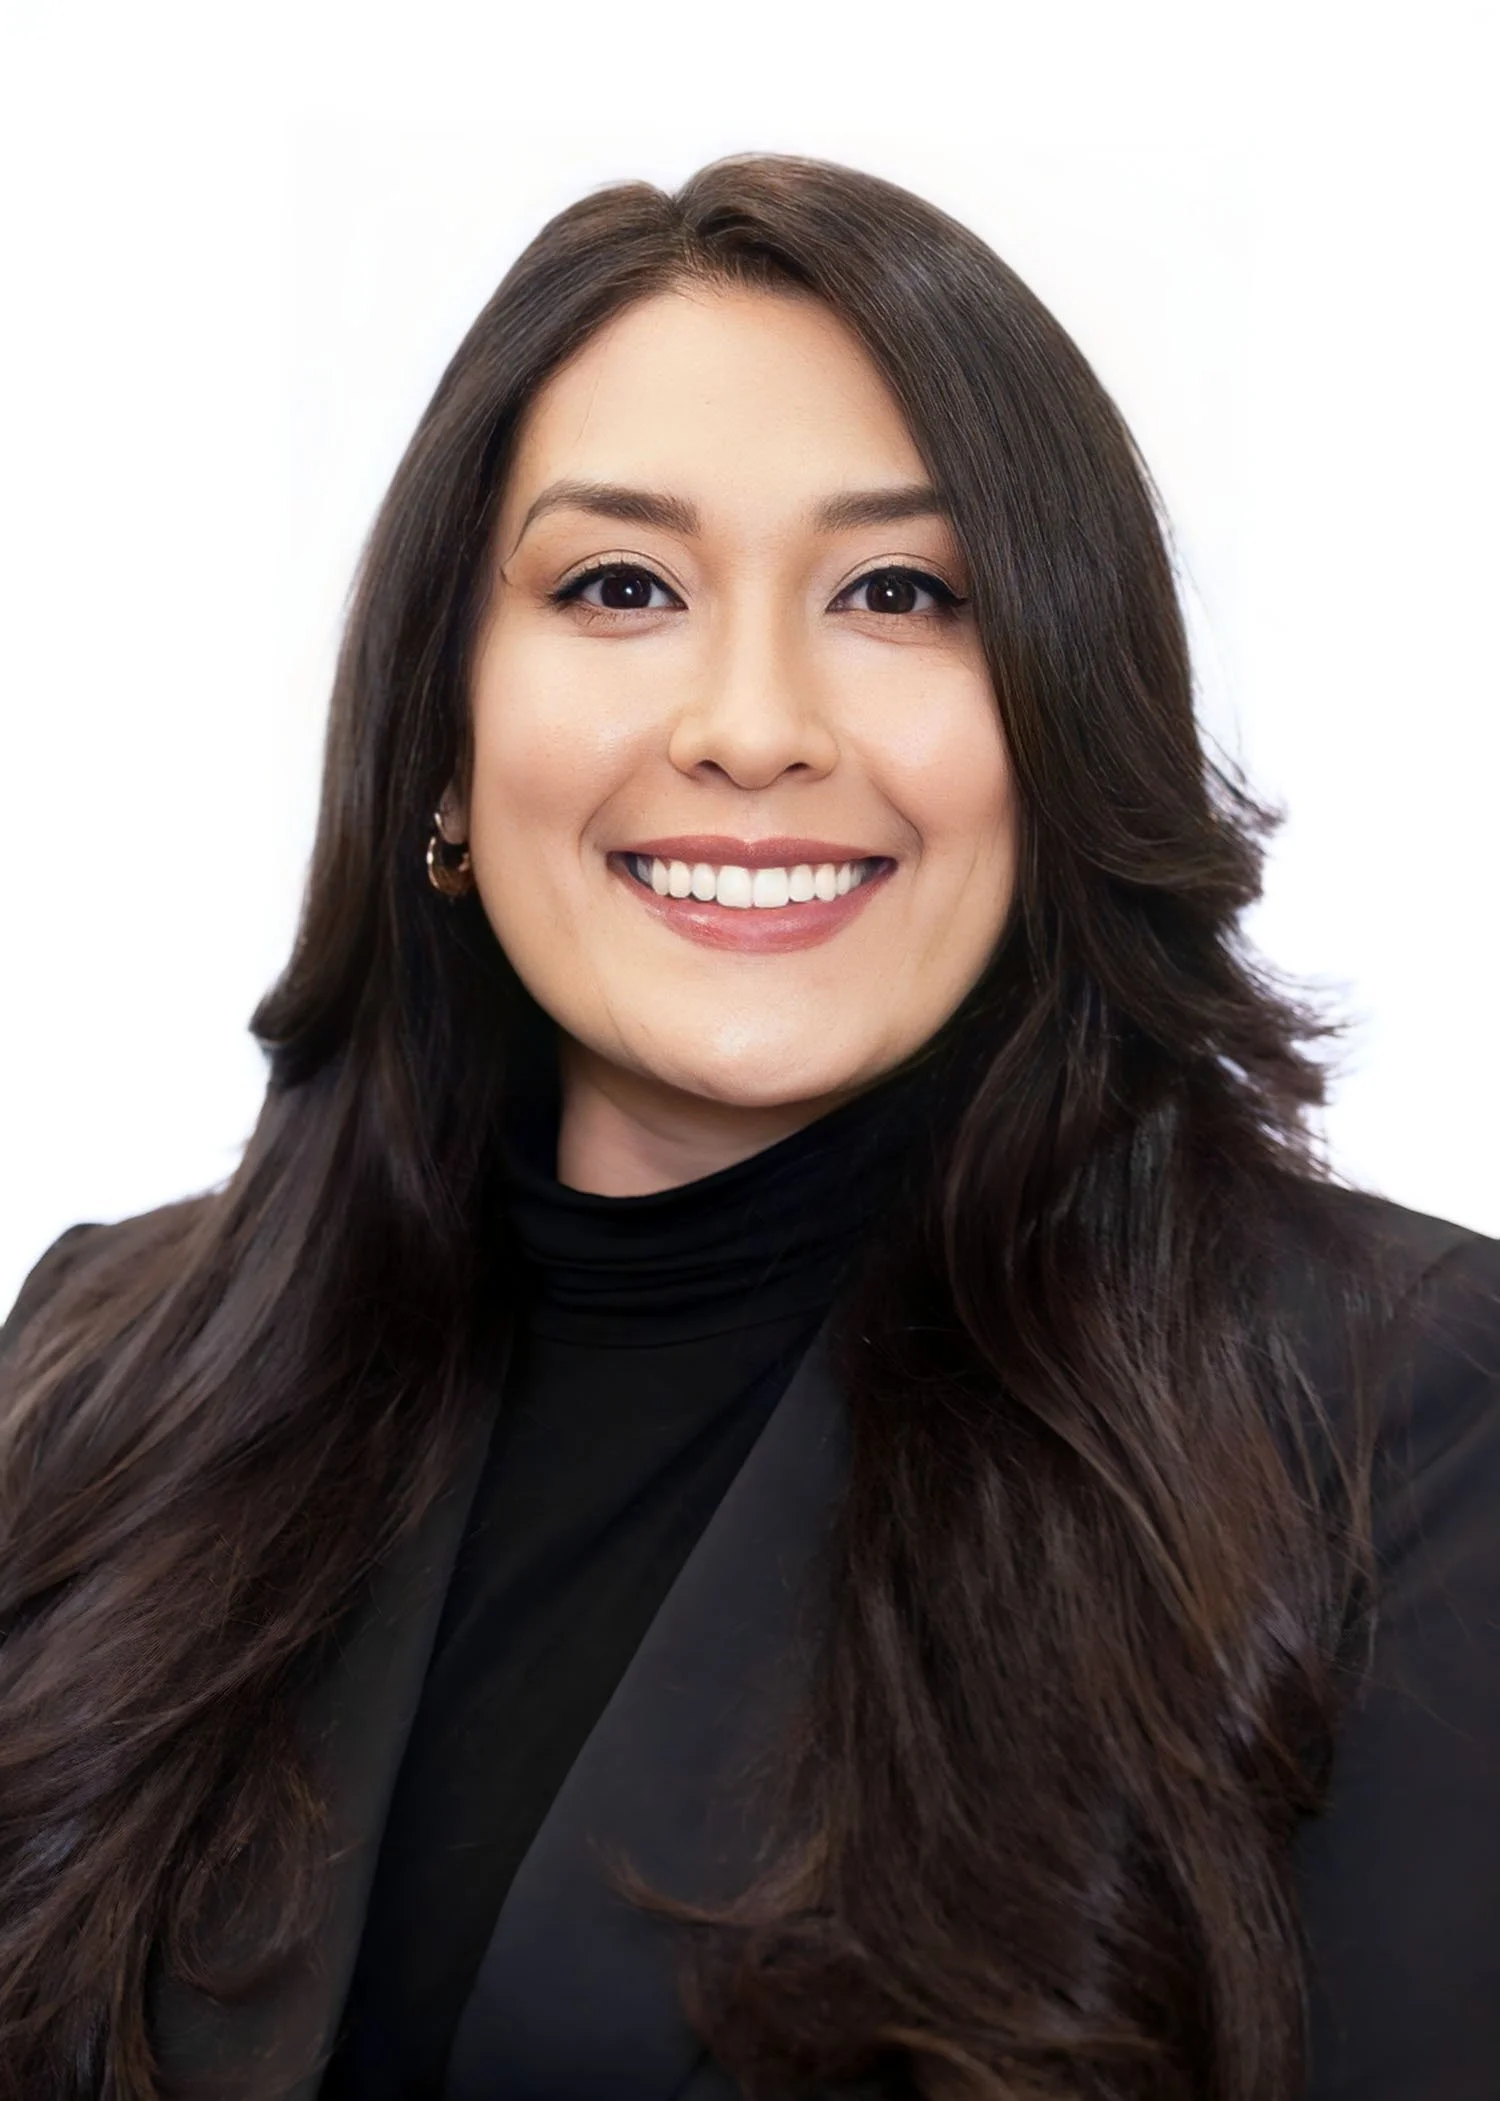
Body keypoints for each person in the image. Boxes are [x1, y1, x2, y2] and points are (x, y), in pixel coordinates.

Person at [0, 152, 1496, 2101]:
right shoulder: (105, 1369)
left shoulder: (1403, 1425)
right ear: (440, 741)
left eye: (900, 592)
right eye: (620, 584)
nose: (755, 721)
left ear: (1059, 725)